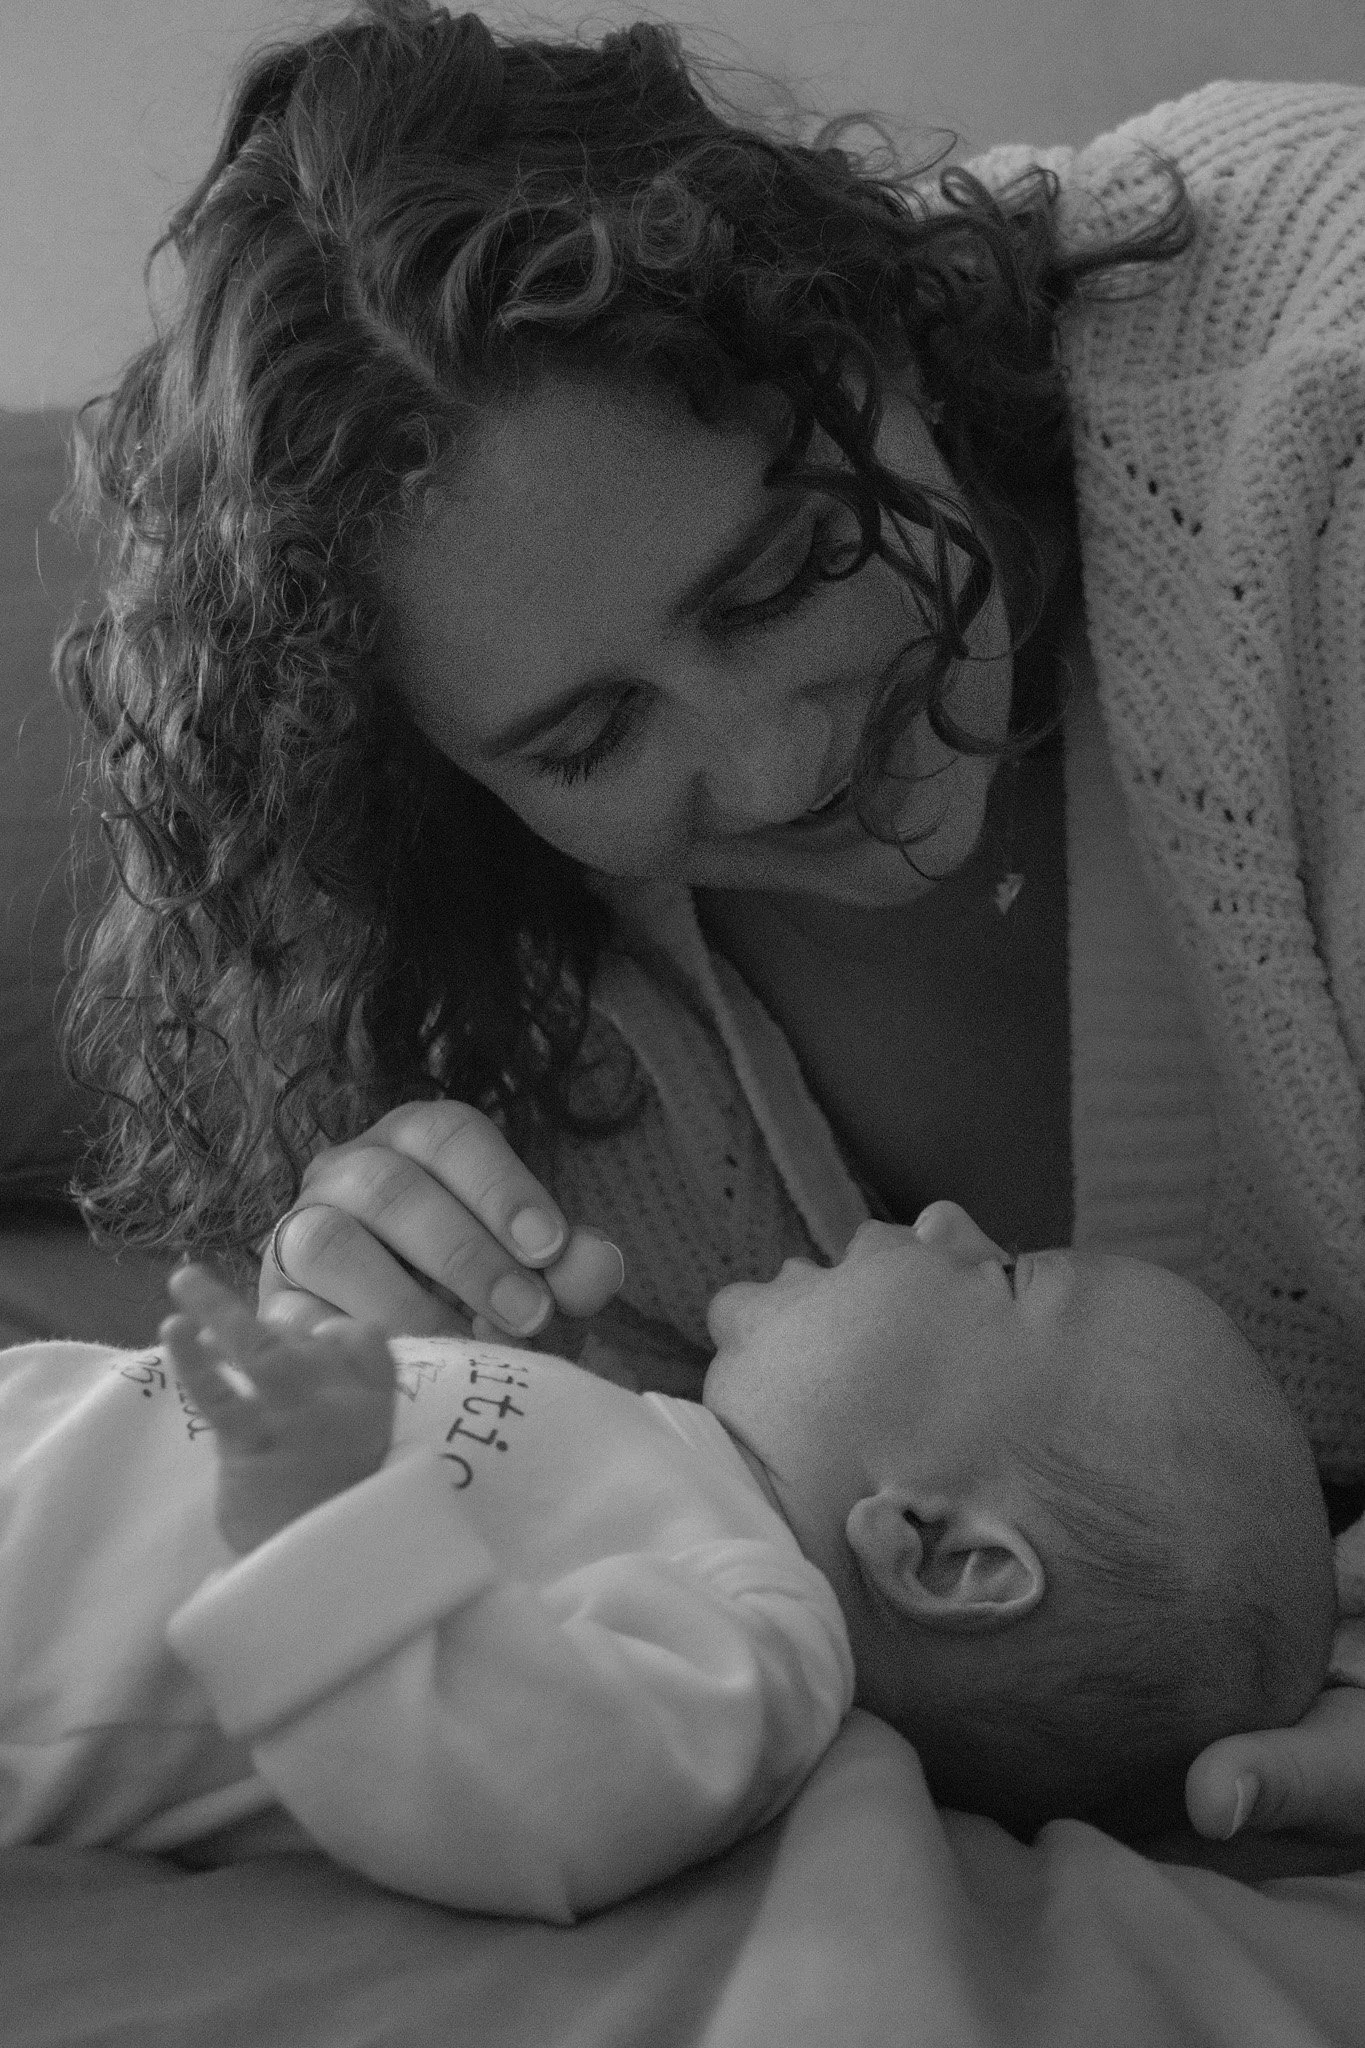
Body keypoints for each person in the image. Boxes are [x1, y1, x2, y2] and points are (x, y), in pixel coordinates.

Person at [56, 1, 1365, 1846]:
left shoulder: (1315, 415)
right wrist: (416, 1380)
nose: (771, 771)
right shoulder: (505, 1005)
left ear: (874, 335)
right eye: (585, 739)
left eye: (777, 576)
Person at [0, 1201, 1347, 1920]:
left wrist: (311, 1517)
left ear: (936, 1554)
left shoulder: (758, 1651)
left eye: (1003, 1276)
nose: (941, 1220)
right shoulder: (665, 1454)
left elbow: (526, 1792)